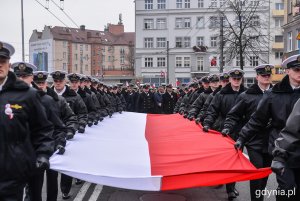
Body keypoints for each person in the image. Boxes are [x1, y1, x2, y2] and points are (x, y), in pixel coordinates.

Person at [235, 55, 300, 201]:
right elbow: (257, 119)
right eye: (297, 69)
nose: (299, 73)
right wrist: (242, 138)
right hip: (283, 149)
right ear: (287, 71)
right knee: (287, 190)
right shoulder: (273, 95)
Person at [0, 41, 54, 201]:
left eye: (2, 62)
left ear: (8, 63)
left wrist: (42, 155)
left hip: (13, 175)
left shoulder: (26, 95)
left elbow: (43, 129)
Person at [13, 64, 66, 201]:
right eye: (18, 76)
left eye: (24, 76)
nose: (20, 79)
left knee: (34, 194)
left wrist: (46, 150)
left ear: (31, 78)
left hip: (35, 156)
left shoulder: (45, 100)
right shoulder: (6, 97)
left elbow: (57, 126)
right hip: (12, 158)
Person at [222, 64, 274, 201]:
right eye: (263, 75)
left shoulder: (277, 94)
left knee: (265, 175)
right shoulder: (246, 96)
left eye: (268, 75)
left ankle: (260, 196)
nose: (266, 77)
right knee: (256, 174)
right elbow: (233, 115)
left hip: (271, 141)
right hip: (253, 141)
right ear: (257, 77)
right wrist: (227, 127)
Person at [203, 68, 246, 200]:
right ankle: (225, 183)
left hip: (241, 131)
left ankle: (231, 187)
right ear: (230, 80)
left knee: (235, 161)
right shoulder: (221, 94)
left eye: (239, 79)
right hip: (224, 131)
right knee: (226, 160)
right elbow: (212, 111)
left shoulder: (247, 93)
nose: (236, 81)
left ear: (242, 80)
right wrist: (207, 123)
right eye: (234, 79)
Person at [50, 70, 88, 199]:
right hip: (50, 136)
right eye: (56, 81)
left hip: (68, 134)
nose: (58, 83)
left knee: (65, 163)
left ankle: (65, 189)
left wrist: (75, 128)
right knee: (51, 170)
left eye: (60, 81)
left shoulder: (74, 96)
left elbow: (82, 113)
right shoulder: (47, 95)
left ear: (65, 81)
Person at [272, 98, 300, 200]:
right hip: (290, 151)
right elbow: (292, 129)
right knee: (288, 190)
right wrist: (279, 156)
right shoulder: (271, 95)